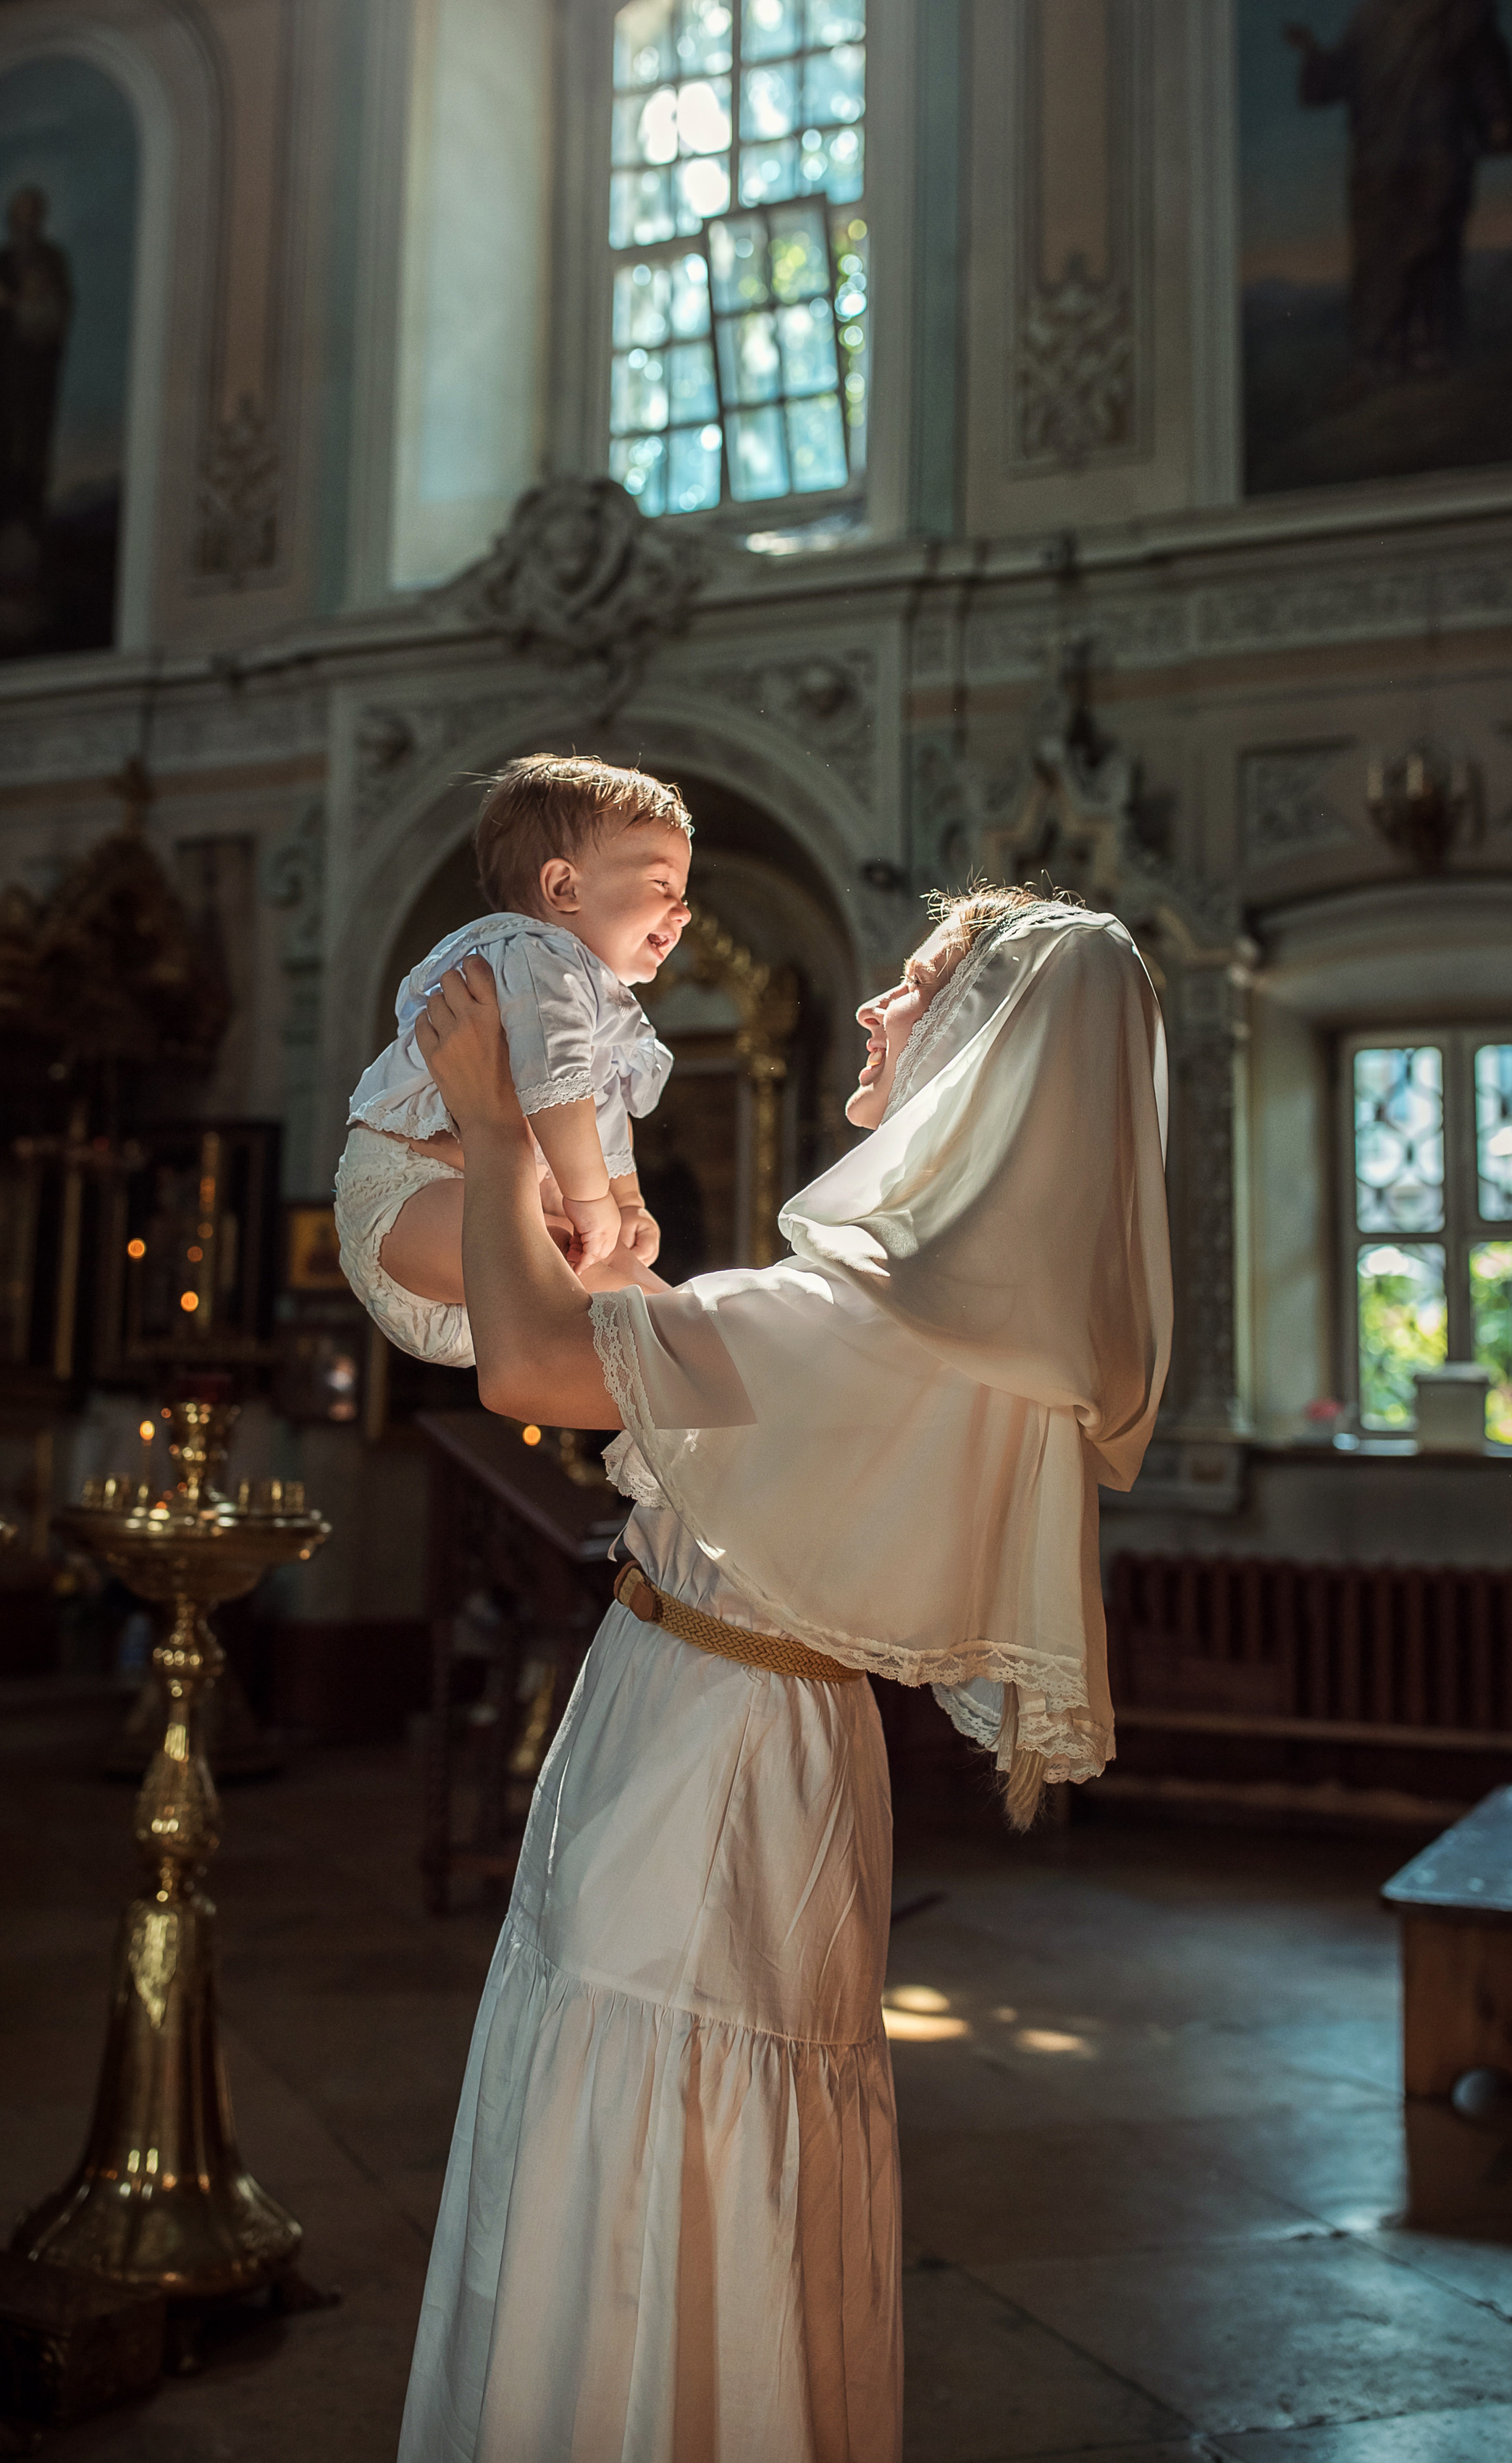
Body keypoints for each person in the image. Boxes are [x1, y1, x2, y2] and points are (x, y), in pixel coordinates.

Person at [395, 881, 1172, 2463]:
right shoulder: (961, 1318)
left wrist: (489, 1133)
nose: (879, 1011)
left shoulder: (880, 1308)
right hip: (744, 1736)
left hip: (709, 1765)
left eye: (916, 995)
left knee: (640, 2161)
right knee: (685, 2137)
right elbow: (671, 1392)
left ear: (988, 1056)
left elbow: (537, 1372)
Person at [334, 755, 693, 1368]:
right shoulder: (533, 954)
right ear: (564, 888)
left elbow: (602, 1111)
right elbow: (558, 1088)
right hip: (415, 1196)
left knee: (613, 1277)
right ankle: (715, 1344)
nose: (682, 911)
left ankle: (710, 1345)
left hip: (497, 1245)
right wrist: (592, 1200)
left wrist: (627, 1202)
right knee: (641, 1302)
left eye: (684, 894)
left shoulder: (598, 999)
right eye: (662, 885)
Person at [1284, 0, 1512, 382]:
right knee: (1378, 256)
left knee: (1432, 243)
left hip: (1436, 141)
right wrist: (1312, 53)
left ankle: (1433, 347)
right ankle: (1379, 354)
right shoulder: (1371, 12)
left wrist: (1498, 117)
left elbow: (1485, 64)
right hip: (1379, 152)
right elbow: (1337, 80)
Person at [0, 185, 75, 582]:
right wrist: (0, 311)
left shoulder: (51, 264)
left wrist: (21, 308)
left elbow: (54, 319)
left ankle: (25, 550)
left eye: (31, 216)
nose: (24, 224)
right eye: (18, 216)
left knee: (28, 461)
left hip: (33, 389)